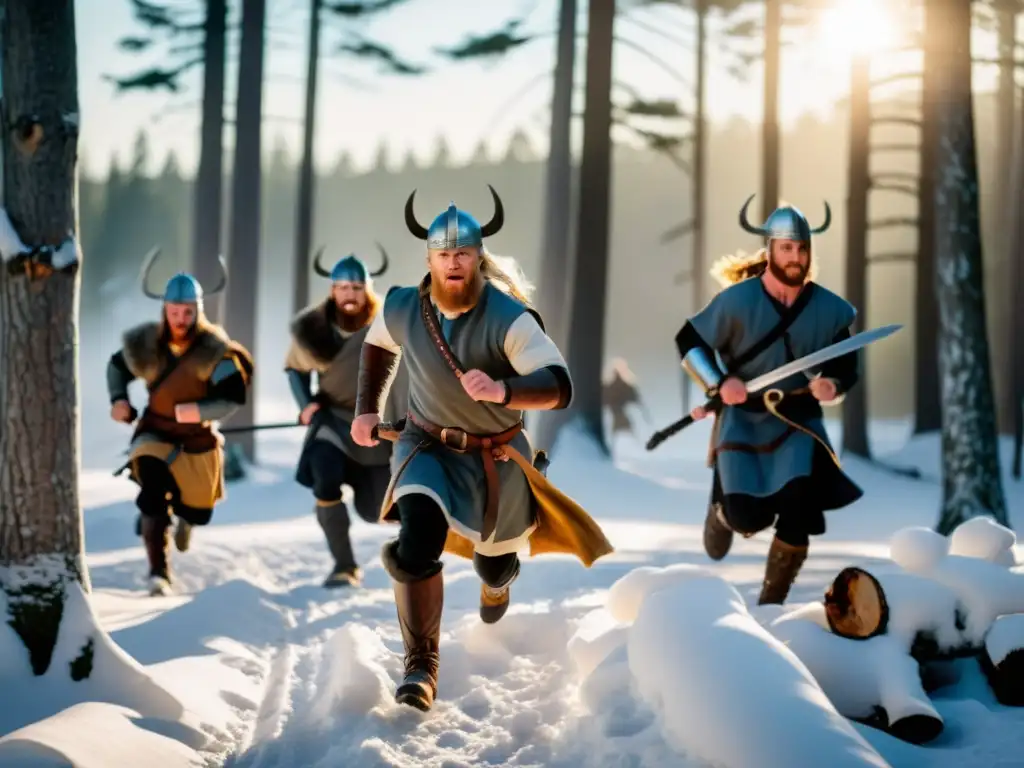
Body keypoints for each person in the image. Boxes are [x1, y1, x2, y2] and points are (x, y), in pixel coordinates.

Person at [351, 186, 613, 712]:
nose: (453, 263)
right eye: (444, 254)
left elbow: (560, 385)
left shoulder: (508, 316)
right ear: (429, 257)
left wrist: (504, 391)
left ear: (478, 257)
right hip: (423, 443)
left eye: (463, 254)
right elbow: (377, 344)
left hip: (495, 458)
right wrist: (366, 407)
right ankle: (421, 667)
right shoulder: (404, 306)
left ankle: (498, 581)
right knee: (417, 534)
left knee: (493, 565)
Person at [675, 194, 862, 605]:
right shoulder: (736, 301)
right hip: (743, 416)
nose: (795, 257)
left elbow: (846, 365)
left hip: (797, 419)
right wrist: (720, 382)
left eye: (802, 248)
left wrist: (833, 385)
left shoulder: (829, 309)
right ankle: (721, 511)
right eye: (786, 248)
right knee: (748, 516)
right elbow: (689, 342)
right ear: (770, 250)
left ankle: (771, 603)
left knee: (798, 504)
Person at [108, 249, 254, 596]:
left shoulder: (214, 350)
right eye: (175, 311)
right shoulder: (147, 344)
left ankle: (186, 519)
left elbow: (232, 396)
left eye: (187, 312)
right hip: (154, 433)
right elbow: (117, 368)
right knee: (153, 494)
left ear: (197, 312)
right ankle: (158, 571)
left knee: (198, 510)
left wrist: (200, 411)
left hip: (196, 440)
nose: (181, 318)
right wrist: (119, 400)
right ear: (165, 311)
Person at [284, 245, 408, 587]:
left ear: (366, 289)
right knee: (325, 477)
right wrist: (305, 403)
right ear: (332, 290)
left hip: (378, 424)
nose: (349, 295)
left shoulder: (389, 321)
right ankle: (344, 565)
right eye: (342, 288)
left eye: (356, 288)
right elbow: (295, 369)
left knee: (376, 508)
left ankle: (410, 556)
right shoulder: (313, 327)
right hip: (333, 419)